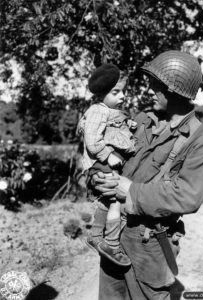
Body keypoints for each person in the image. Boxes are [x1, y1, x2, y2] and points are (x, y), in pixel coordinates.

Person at [91, 50, 203, 300]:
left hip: (150, 243)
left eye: (156, 85)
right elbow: (106, 153)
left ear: (174, 90)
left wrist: (129, 191)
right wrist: (99, 177)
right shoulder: (141, 121)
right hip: (113, 233)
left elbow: (188, 196)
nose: (149, 90)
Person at [77, 63, 136, 267]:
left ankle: (95, 234)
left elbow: (115, 128)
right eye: (116, 92)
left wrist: (129, 125)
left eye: (124, 92)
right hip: (101, 162)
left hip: (106, 162)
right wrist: (107, 155)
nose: (122, 96)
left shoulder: (110, 111)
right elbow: (92, 141)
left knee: (107, 199)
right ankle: (111, 242)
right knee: (116, 200)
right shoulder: (97, 111)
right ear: (102, 93)